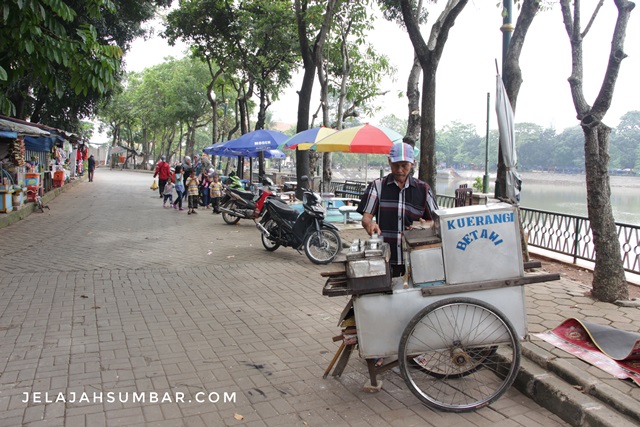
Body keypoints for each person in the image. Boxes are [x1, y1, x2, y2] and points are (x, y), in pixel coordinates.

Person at [356, 142, 437, 278]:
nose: (399, 170)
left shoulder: (424, 189)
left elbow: (436, 222)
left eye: (404, 165)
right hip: (385, 257)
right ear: (389, 162)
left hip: (414, 257)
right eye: (395, 165)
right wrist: (370, 224)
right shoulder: (378, 186)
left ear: (412, 164)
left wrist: (425, 225)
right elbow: (366, 218)